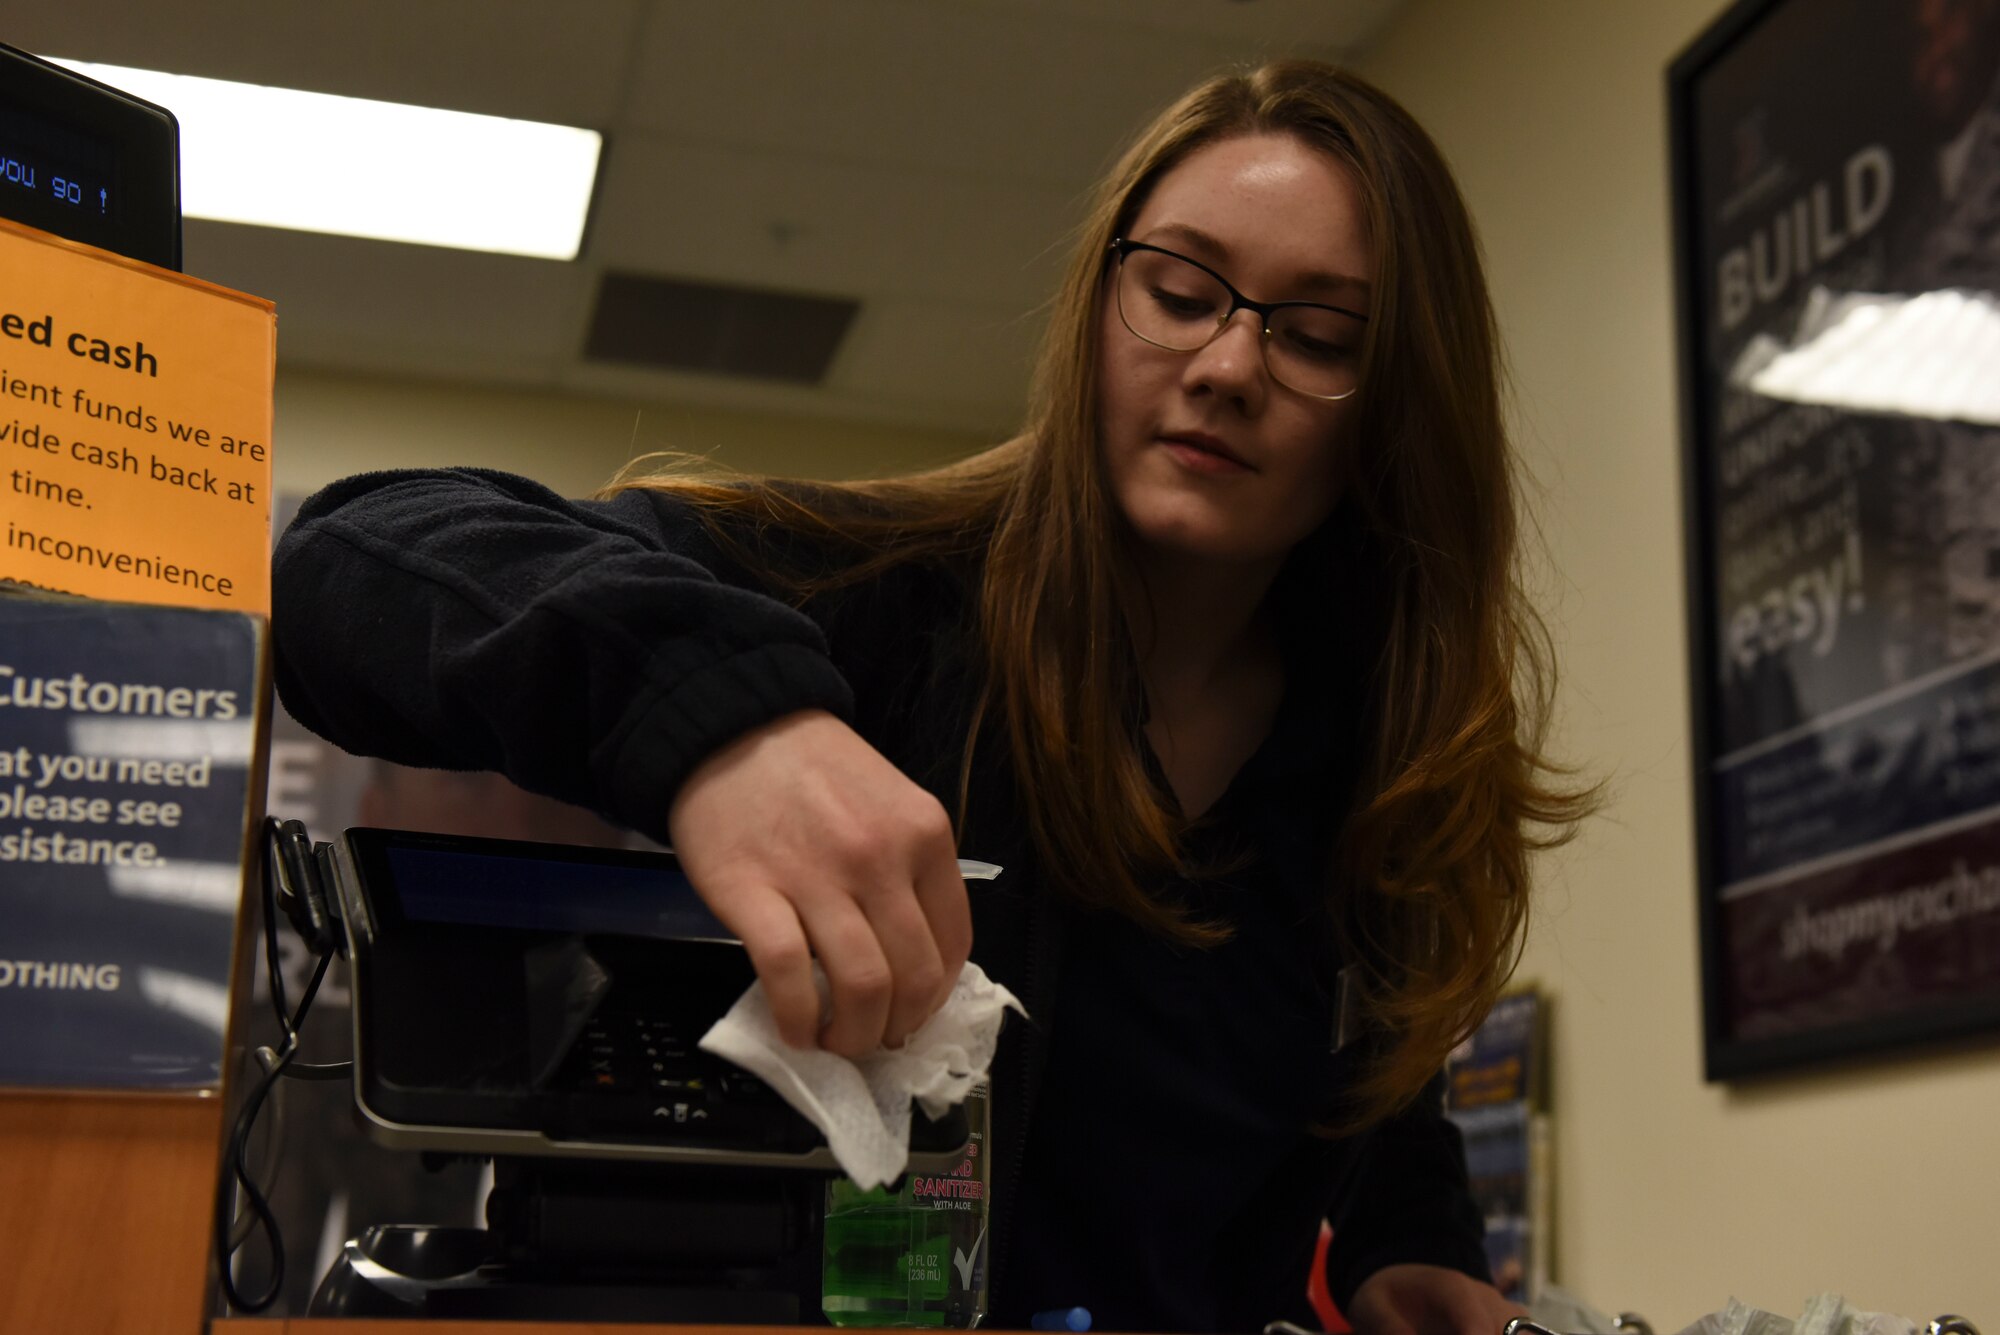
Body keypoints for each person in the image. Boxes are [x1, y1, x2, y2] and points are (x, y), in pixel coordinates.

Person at [271, 59, 1591, 1334]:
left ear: (1398, 408)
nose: (1228, 365)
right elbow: (349, 556)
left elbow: (1355, 1053)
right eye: (1181, 294)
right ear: (1099, 308)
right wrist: (732, 724)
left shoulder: (1369, 760)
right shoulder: (865, 598)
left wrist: (1409, 1233)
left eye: (1315, 335)